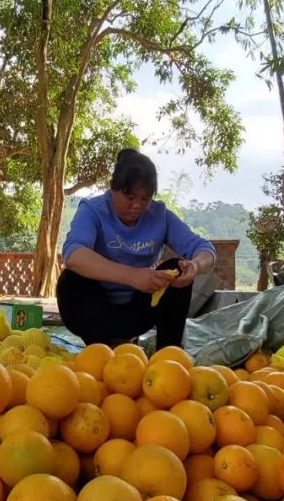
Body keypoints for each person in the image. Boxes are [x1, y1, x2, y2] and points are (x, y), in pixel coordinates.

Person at [58, 148, 216, 350]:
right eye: (130, 196)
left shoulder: (160, 215)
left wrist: (194, 266)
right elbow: (73, 254)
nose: (137, 205)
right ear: (113, 189)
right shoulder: (93, 210)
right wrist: (133, 276)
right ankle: (101, 350)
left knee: (176, 267)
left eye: (145, 198)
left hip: (139, 311)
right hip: (95, 311)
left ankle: (169, 356)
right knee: (71, 281)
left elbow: (205, 249)